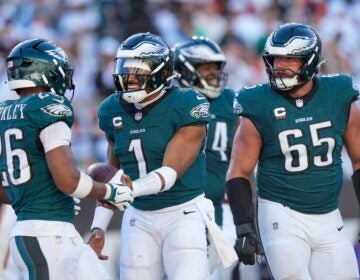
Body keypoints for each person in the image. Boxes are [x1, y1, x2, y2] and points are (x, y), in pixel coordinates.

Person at [88, 32, 237, 280]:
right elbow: (113, 175)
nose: (128, 76)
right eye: (125, 67)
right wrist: (98, 227)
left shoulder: (187, 103)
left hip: (183, 213)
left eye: (138, 69)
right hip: (139, 216)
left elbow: (169, 173)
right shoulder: (111, 108)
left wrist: (130, 189)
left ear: (161, 72)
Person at [226, 22, 360, 279]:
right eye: (275, 59)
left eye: (289, 58)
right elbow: (239, 171)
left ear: (309, 61)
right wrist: (244, 226)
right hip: (281, 213)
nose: (279, 65)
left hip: (330, 213)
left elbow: (359, 160)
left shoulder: (338, 93)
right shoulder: (257, 102)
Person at [0, 38, 133, 280]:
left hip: (40, 232)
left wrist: (42, 194)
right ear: (48, 73)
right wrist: (109, 192)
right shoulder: (50, 107)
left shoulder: (4, 113)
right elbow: (68, 180)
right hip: (47, 235)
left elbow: (5, 190)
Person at [172, 36, 238, 227]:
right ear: (184, 70)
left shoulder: (229, 99)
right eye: (206, 67)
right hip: (181, 205)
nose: (214, 74)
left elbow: (241, 154)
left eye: (216, 68)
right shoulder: (172, 102)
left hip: (222, 204)